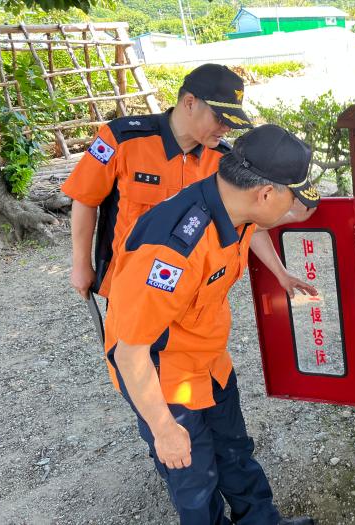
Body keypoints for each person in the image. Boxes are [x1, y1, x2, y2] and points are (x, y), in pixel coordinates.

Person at [104, 124, 320, 525]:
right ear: (265, 193)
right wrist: (164, 428)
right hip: (165, 378)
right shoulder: (171, 251)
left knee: (235, 453)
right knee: (195, 483)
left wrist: (282, 273)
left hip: (209, 361)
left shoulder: (231, 202)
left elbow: (254, 228)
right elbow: (130, 352)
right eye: (292, 198)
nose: (293, 208)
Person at [62, 63, 253, 300]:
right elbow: (85, 198)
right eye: (220, 118)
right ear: (190, 103)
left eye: (232, 121)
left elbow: (248, 218)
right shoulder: (121, 139)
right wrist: (81, 265)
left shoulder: (223, 160)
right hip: (131, 288)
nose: (227, 128)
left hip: (192, 293)